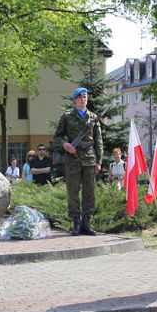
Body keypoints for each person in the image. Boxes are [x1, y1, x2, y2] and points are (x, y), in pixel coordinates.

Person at [54, 87, 103, 236]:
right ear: (75, 99)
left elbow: (98, 141)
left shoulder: (93, 117)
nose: (83, 99)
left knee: (89, 192)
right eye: (80, 97)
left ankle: (86, 223)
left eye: (85, 96)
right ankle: (76, 223)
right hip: (73, 159)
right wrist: (65, 144)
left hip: (89, 158)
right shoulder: (67, 116)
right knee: (73, 192)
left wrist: (99, 161)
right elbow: (58, 136)